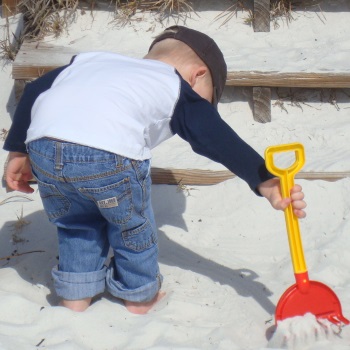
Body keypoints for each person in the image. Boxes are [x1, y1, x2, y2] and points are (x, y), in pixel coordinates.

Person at [3, 26, 306, 314]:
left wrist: (18, 150)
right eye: (206, 99)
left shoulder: (91, 62)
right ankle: (139, 297)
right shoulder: (175, 84)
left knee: (76, 223)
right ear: (197, 76)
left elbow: (33, 93)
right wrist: (263, 178)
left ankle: (75, 298)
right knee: (132, 225)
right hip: (107, 154)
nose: (199, 108)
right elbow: (214, 136)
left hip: (43, 147)